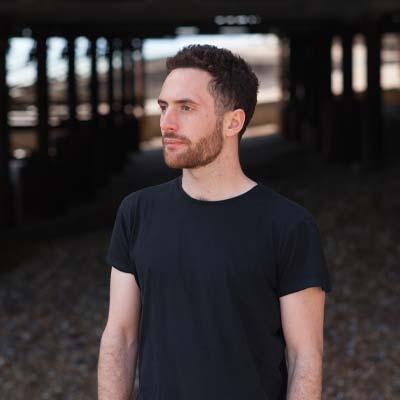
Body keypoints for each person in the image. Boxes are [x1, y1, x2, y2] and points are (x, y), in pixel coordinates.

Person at [98, 44, 332, 400]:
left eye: (186, 108)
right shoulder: (137, 213)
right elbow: (120, 335)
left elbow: (305, 357)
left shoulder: (288, 225)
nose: (166, 123)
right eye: (164, 107)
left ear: (232, 122)